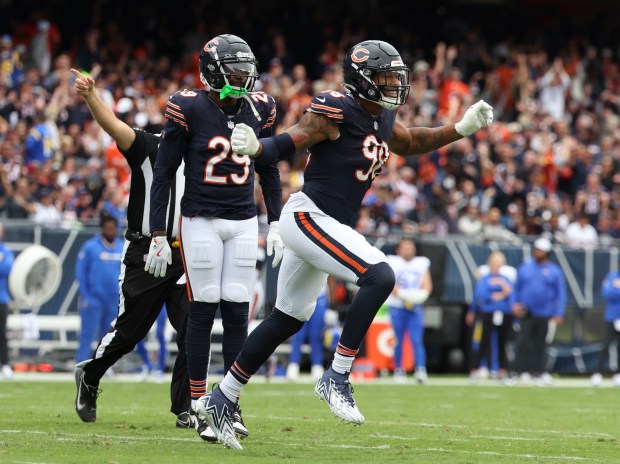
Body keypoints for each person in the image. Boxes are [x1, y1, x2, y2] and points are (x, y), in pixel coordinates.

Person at [199, 39, 493, 449]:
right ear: (363, 80)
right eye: (386, 78)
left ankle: (221, 397)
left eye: (396, 77)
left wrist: (461, 129)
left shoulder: (383, 118)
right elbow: (295, 138)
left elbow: (414, 142)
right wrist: (259, 149)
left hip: (325, 226)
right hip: (309, 217)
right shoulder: (337, 109)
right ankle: (337, 375)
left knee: (287, 317)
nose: (394, 85)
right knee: (379, 276)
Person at [146, 34, 283, 441]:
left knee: (239, 308)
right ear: (210, 73)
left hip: (243, 219)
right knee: (203, 308)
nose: (244, 79)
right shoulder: (187, 106)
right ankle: (198, 402)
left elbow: (269, 167)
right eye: (234, 71)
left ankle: (230, 401)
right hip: (200, 217)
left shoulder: (262, 107)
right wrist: (157, 232)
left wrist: (275, 220)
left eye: (247, 70)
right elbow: (165, 172)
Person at [70, 68, 192, 431]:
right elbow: (113, 125)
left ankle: (186, 407)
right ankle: (90, 375)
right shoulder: (149, 145)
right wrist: (92, 95)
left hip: (186, 253)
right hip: (146, 251)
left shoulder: (203, 156)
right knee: (129, 332)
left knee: (192, 328)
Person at [512, 237, 566, 384]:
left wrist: (559, 312)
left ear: (546, 252)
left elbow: (560, 293)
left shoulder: (554, 271)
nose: (537, 252)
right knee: (522, 342)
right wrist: (514, 304)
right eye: (536, 249)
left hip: (545, 312)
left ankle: (539, 371)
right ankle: (519, 371)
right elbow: (516, 288)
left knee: (540, 344)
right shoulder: (525, 267)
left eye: (540, 250)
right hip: (527, 311)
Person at [75, 215, 124, 364]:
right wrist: (86, 296)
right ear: (102, 227)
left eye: (113, 227)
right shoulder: (90, 247)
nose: (110, 230)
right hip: (94, 298)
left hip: (113, 299)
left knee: (107, 337)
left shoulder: (122, 246)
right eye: (107, 226)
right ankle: (81, 364)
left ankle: (102, 366)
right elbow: (80, 272)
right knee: (87, 334)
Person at [385, 238, 432, 383]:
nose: (408, 250)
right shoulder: (392, 261)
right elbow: (389, 282)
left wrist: (418, 296)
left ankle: (420, 369)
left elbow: (427, 285)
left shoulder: (421, 263)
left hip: (415, 307)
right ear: (398, 249)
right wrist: (403, 295)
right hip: (398, 306)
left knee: (416, 339)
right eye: (405, 247)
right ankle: (399, 370)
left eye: (411, 247)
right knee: (398, 340)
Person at [466, 251, 514, 382]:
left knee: (502, 343)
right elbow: (481, 295)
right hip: (487, 313)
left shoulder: (506, 279)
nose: (497, 267)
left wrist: (502, 293)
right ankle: (475, 370)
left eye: (499, 264)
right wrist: (499, 294)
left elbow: (511, 295)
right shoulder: (485, 278)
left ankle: (502, 371)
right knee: (482, 342)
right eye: (495, 263)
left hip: (504, 314)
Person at [286, 286, 328, 381]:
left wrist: (332, 304)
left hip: (319, 295)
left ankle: (317, 365)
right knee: (298, 333)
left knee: (316, 334)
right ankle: (293, 365)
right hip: (301, 295)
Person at [590, 266, 620, 387]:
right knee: (605, 345)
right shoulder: (611, 276)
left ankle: (618, 374)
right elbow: (607, 294)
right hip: (612, 317)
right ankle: (598, 373)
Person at [135, 305, 168, 382]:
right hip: (147, 301)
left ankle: (160, 370)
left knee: (160, 334)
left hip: (161, 302)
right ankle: (147, 365)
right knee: (137, 335)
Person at [0, 222, 15, 379]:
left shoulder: (6, 251)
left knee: (2, 334)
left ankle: (5, 364)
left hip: (1, 298)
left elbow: (7, 268)